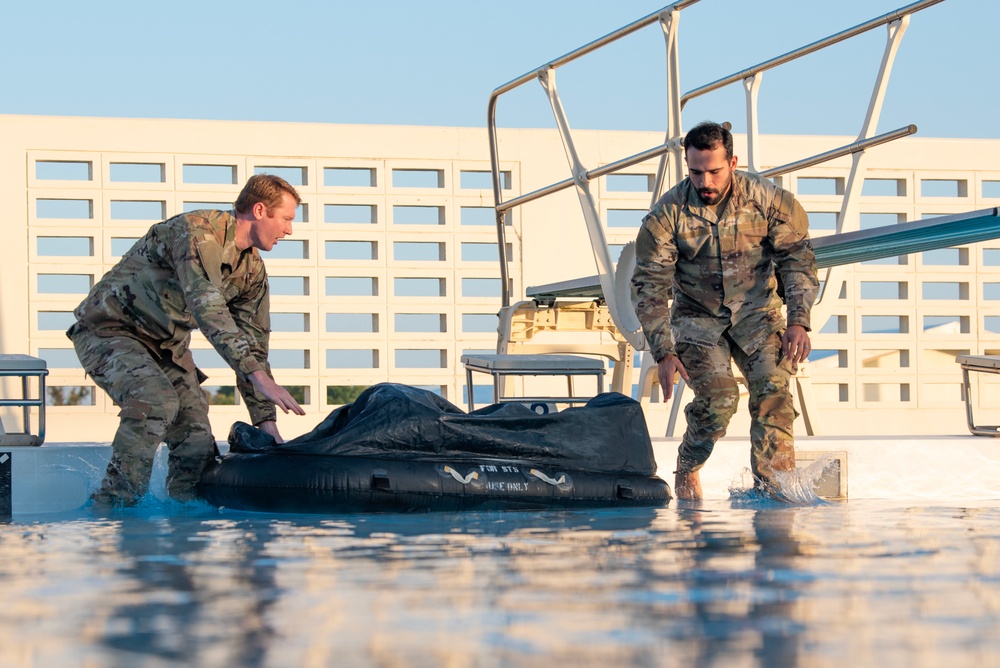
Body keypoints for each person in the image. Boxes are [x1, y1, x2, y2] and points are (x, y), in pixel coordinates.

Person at [67, 174, 307, 507]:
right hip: (110, 330)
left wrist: (266, 423)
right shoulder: (197, 232)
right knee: (155, 399)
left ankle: (187, 519)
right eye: (287, 219)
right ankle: (113, 508)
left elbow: (252, 345)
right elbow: (207, 306)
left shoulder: (251, 271)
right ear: (260, 210)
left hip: (167, 347)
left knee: (196, 438)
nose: (290, 230)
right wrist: (257, 375)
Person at [631, 121, 819, 500]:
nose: (706, 182)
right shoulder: (666, 215)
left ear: (732, 161)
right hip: (699, 322)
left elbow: (797, 261)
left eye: (714, 171)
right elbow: (649, 286)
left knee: (773, 391)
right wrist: (663, 351)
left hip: (757, 316)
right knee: (720, 400)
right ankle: (688, 466)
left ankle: (774, 490)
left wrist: (799, 321)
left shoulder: (769, 202)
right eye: (696, 172)